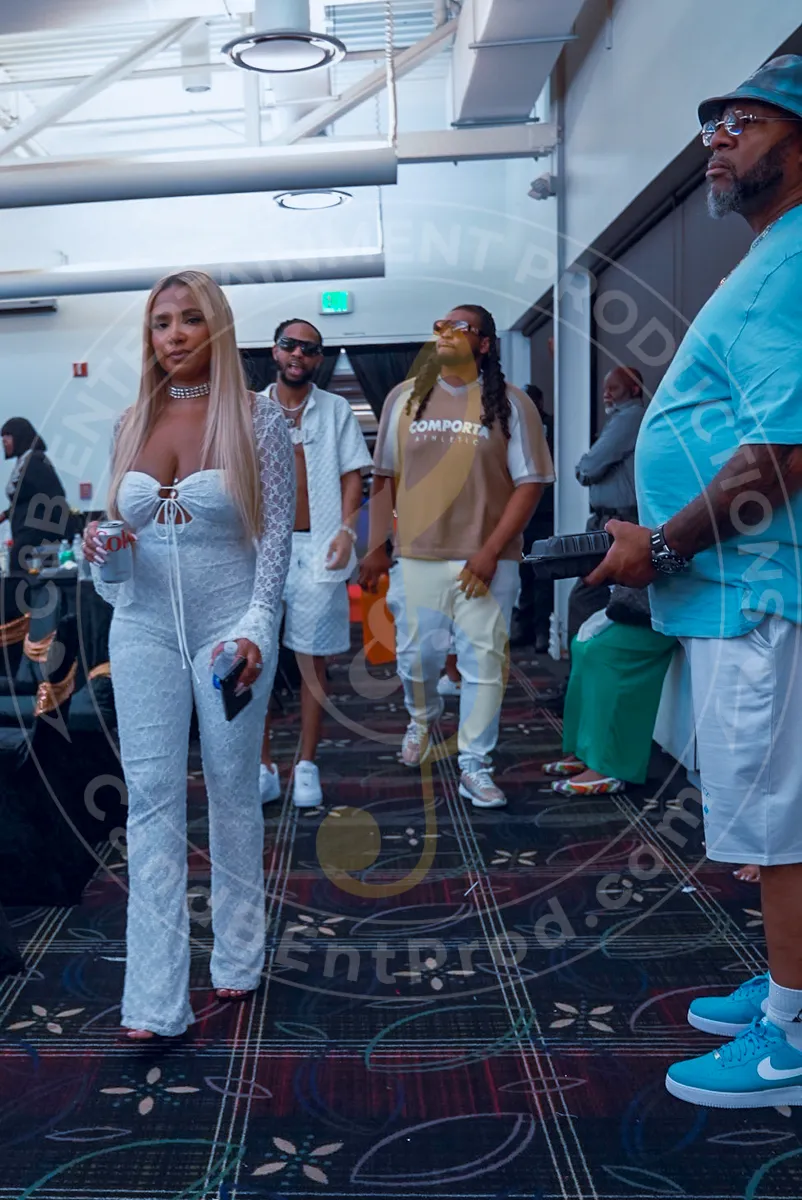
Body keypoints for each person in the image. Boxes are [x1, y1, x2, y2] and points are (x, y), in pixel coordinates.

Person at [586, 55, 802, 1108]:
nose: (716, 138)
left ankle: (790, 1037)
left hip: (751, 585)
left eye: (744, 121)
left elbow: (782, 452)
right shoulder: (769, 254)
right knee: (771, 810)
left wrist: (664, 547)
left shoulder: (795, 260)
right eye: (713, 123)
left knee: (779, 821)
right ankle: (789, 986)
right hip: (735, 587)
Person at [83, 269, 295, 1040]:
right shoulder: (129, 422)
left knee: (232, 791)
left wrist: (256, 627)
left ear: (218, 328)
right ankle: (153, 1002)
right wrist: (101, 551)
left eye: (189, 319)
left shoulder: (258, 418)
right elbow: (113, 575)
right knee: (150, 802)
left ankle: (238, 954)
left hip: (229, 630)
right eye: (161, 321)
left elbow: (276, 541)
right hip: (140, 628)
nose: (173, 334)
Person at [360, 304, 554, 809]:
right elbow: (384, 477)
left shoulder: (512, 403)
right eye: (440, 326)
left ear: (484, 344)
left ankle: (475, 764)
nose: (445, 333)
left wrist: (491, 551)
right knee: (416, 659)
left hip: (488, 561)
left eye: (460, 327)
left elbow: (530, 484)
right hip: (418, 555)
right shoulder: (404, 398)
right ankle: (421, 720)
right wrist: (376, 547)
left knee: (483, 663)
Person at [259, 318, 371, 808]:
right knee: (255, 657)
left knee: (312, 660)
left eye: (308, 349)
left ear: (318, 359)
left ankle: (306, 763)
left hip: (320, 545)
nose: (297, 355)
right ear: (275, 351)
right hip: (261, 549)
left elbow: (353, 474)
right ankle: (262, 764)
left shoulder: (335, 409)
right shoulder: (250, 409)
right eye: (290, 345)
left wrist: (348, 531)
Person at [544, 585, 677, 795]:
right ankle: (586, 751)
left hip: (671, 602)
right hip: (645, 596)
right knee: (581, 645)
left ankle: (609, 765)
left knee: (604, 652)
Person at [567, 367, 645, 645]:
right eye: (605, 389)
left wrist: (585, 467)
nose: (606, 395)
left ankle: (581, 664)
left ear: (634, 389)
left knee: (586, 596)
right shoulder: (620, 419)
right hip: (608, 521)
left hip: (620, 523)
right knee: (606, 598)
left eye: (614, 388)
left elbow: (589, 467)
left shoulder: (631, 417)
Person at [510, 383, 555, 652]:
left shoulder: (551, 428)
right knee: (524, 573)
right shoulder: (514, 428)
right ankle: (525, 628)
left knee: (543, 575)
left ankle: (542, 632)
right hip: (522, 514)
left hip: (546, 514)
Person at [0, 418, 69, 574]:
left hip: (35, 537)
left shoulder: (35, 462)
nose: (4, 442)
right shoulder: (23, 461)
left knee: (21, 575)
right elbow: (26, 499)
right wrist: (5, 515)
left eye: (8, 436)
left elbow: (53, 496)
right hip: (24, 534)